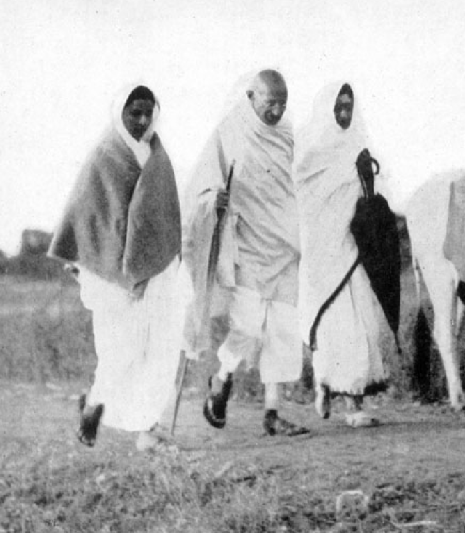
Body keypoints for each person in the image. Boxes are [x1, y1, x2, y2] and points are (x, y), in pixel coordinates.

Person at [49, 84, 183, 452]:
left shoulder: (158, 156)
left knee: (158, 348)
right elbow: (87, 215)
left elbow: (166, 216)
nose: (142, 120)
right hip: (111, 273)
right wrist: (90, 259)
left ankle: (148, 430)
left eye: (148, 113)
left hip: (155, 270)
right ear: (119, 113)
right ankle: (94, 404)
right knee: (120, 350)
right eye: (134, 112)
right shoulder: (104, 155)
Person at [182, 69, 308, 437]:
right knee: (248, 326)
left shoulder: (288, 136)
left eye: (283, 104)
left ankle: (273, 412)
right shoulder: (229, 132)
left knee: (282, 330)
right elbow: (202, 185)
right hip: (247, 244)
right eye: (271, 103)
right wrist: (213, 199)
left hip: (286, 246)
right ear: (251, 97)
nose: (277, 111)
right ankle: (221, 379)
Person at [295, 81, 399, 428]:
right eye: (338, 107)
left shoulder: (359, 146)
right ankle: (324, 383)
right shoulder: (311, 154)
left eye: (348, 107)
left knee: (361, 324)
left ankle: (354, 404)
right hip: (323, 253)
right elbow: (303, 201)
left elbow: (373, 194)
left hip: (354, 250)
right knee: (332, 325)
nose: (344, 114)